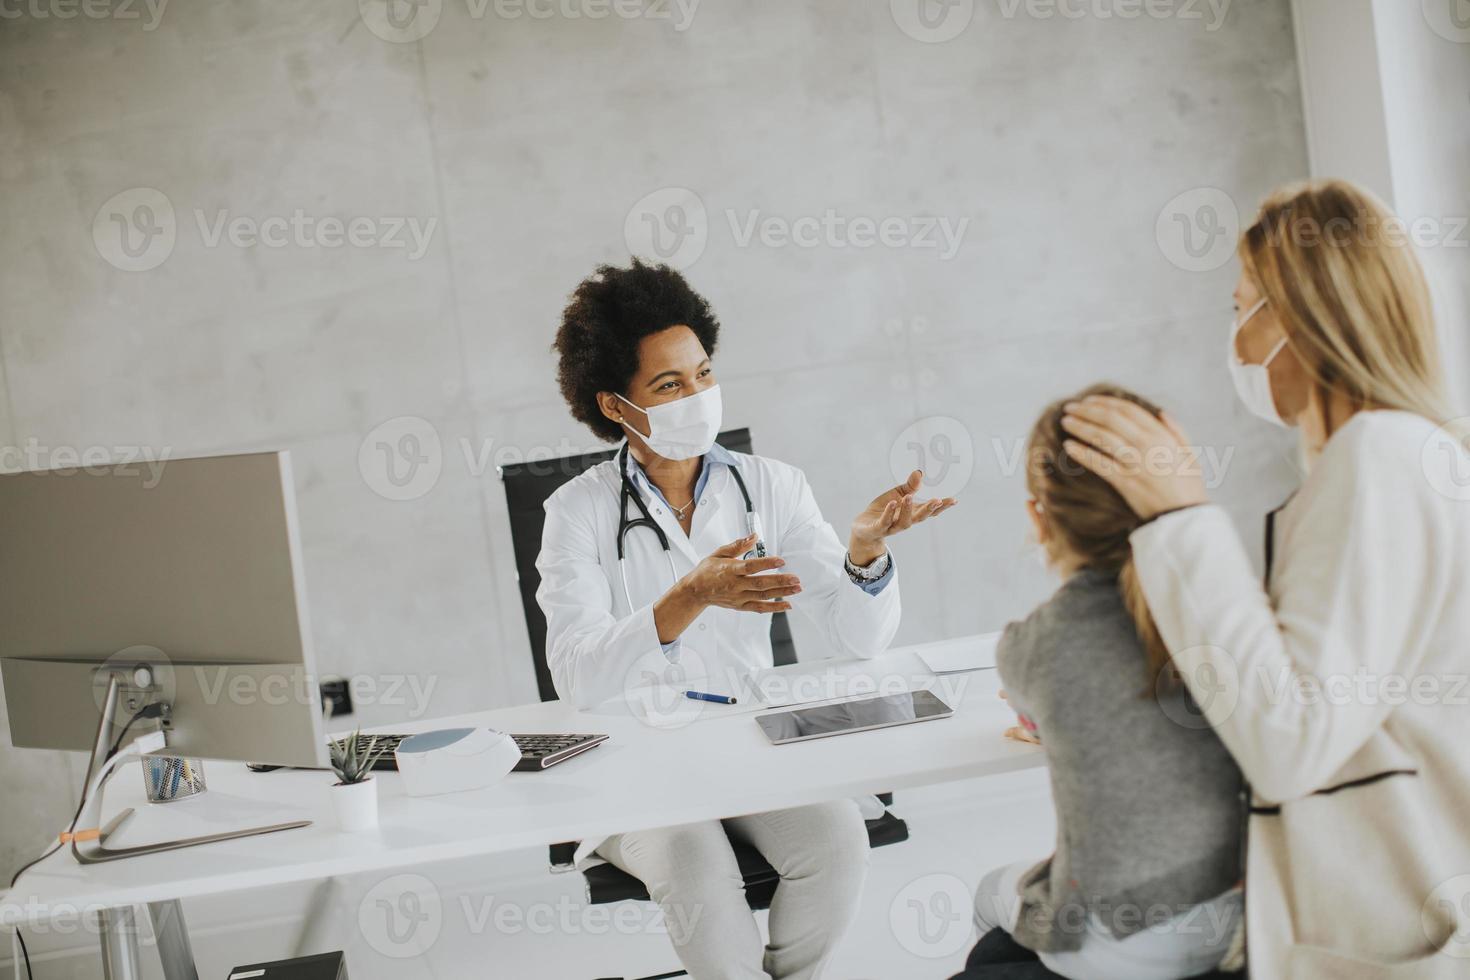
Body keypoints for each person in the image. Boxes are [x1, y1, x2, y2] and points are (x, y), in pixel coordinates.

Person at [1060, 179, 1470, 976]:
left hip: (1388, 924)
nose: (1238, 345)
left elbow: (1289, 742)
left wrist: (1179, 518)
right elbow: (1327, 686)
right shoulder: (1404, 458)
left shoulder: (1380, 459)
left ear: (1306, 318)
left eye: (1244, 308)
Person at [537, 259, 956, 980]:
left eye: (702, 373)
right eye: (668, 386)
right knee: (696, 869)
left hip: (749, 744)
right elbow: (578, 676)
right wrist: (690, 595)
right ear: (615, 406)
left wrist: (865, 553)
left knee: (837, 842)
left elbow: (860, 639)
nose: (696, 396)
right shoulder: (575, 512)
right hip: (635, 764)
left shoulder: (771, 486)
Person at [963, 384, 1244, 980]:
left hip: (1119, 945)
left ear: (1039, 518)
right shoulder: (1227, 610)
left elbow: (1039, 717)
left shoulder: (1029, 648)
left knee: (990, 891)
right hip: (1241, 916)